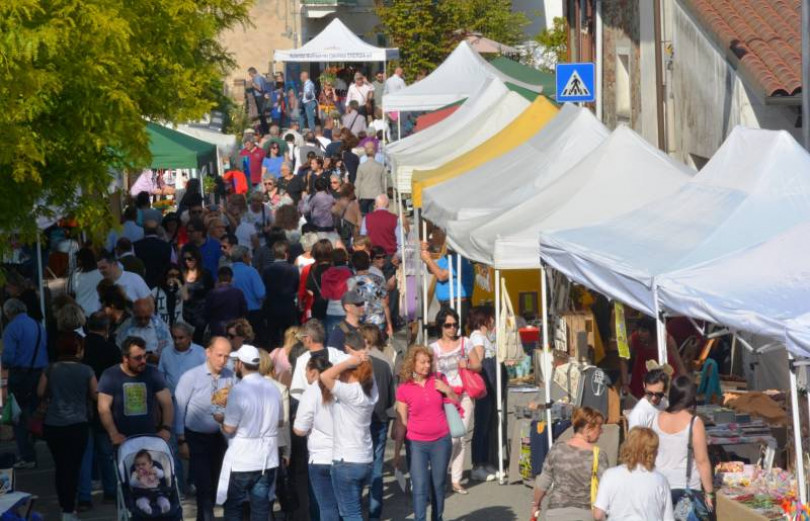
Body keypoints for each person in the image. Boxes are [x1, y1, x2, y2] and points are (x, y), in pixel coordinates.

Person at [214, 344, 282, 521]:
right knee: (260, 507)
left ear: (240, 364)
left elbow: (229, 427)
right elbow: (280, 421)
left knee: (234, 505)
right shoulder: (273, 388)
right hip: (266, 457)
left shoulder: (239, 390)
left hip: (243, 458)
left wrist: (221, 420)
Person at [38, 332, 97, 521]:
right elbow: (96, 394)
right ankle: (70, 510)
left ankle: (65, 506)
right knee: (74, 467)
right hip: (77, 424)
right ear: (78, 349)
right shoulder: (86, 370)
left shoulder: (50, 369)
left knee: (61, 466)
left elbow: (40, 392)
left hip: (53, 424)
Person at [393, 345, 456, 521]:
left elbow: (456, 402)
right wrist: (397, 452)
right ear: (412, 363)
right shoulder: (404, 388)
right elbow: (401, 422)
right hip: (416, 444)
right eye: (422, 362)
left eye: (429, 362)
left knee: (438, 484)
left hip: (441, 441)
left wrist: (447, 389)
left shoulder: (439, 379)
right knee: (419, 486)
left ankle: (438, 517)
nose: (427, 366)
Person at [319, 334, 378, 521]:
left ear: (350, 371)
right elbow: (369, 373)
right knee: (355, 510)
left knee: (351, 513)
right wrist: (360, 358)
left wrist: (348, 362)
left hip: (346, 461)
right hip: (365, 459)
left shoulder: (349, 392)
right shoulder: (370, 392)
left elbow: (324, 376)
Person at [175, 337, 234, 521]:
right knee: (204, 485)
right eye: (219, 355)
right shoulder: (191, 377)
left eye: (226, 356)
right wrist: (181, 439)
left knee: (218, 483)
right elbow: (179, 407)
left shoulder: (230, 376)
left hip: (221, 438)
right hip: (196, 437)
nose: (222, 360)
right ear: (208, 352)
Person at [429, 307, 478, 494]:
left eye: (455, 325)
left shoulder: (465, 342)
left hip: (465, 394)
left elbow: (478, 365)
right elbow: (429, 372)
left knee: (460, 435)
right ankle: (440, 474)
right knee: (448, 438)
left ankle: (455, 479)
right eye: (448, 325)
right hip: (444, 396)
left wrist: (469, 365)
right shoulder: (433, 348)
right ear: (441, 326)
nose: (452, 329)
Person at [78, 312, 125, 504]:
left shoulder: (80, 347)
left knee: (85, 454)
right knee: (106, 452)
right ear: (106, 328)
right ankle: (111, 490)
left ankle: (84, 495)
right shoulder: (111, 349)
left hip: (81, 405)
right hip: (106, 404)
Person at [532, 407, 609, 521]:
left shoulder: (557, 449)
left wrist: (536, 504)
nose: (601, 431)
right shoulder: (598, 455)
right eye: (599, 427)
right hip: (585, 514)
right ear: (588, 428)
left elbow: (543, 481)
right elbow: (606, 490)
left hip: (556, 513)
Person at [653, 375, 715, 515]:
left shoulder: (657, 418)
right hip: (686, 489)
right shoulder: (694, 422)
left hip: (659, 485)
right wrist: (710, 493)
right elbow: (702, 461)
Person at [97, 336, 174, 443]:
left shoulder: (153, 373)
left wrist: (166, 428)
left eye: (144, 356)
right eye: (138, 358)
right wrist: (113, 434)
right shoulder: (110, 375)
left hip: (149, 437)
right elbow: (103, 408)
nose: (143, 361)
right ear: (125, 358)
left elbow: (167, 403)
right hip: (121, 439)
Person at [2, 298, 49, 468]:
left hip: (20, 374)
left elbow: (8, 357)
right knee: (38, 411)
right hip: (40, 374)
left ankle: (27, 455)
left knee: (18, 416)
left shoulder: (11, 328)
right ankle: (36, 439)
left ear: (9, 313)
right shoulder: (38, 326)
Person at [594, 427, 675, 521]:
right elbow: (668, 518)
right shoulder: (660, 480)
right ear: (652, 452)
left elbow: (598, 515)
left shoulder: (610, 475)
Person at [293, 357, 338, 521]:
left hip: (320, 457)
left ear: (313, 371)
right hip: (343, 456)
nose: (304, 374)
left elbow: (299, 430)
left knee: (326, 507)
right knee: (344, 507)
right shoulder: (341, 388)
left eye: (305, 370)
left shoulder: (311, 392)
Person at [360, 328, 394, 521]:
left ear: (365, 340)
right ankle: (375, 513)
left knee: (356, 463)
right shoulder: (386, 362)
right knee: (377, 467)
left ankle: (353, 510)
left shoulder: (357, 361)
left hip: (360, 420)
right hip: (380, 418)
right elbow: (391, 398)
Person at [468, 306, 499, 482]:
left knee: (487, 423)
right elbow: (479, 360)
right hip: (483, 384)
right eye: (491, 317)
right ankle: (477, 463)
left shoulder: (485, 336)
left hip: (490, 383)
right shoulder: (477, 336)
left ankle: (485, 460)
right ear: (484, 319)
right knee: (481, 424)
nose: (493, 320)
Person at [622, 317, 686, 399]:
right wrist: (625, 384)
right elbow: (623, 359)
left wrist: (686, 387)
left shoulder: (667, 340)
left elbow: (679, 364)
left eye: (644, 331)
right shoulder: (634, 338)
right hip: (641, 377)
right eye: (638, 329)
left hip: (664, 376)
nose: (639, 333)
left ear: (654, 331)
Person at [289, 319, 347, 400]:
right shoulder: (337, 354)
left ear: (309, 339)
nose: (302, 340)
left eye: (303, 337)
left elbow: (297, 395)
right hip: (336, 407)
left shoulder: (302, 360)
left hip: (312, 408)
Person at [420, 238, 474, 323]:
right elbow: (432, 270)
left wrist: (428, 259)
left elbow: (442, 275)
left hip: (457, 304)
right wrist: (427, 254)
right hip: (446, 305)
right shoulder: (446, 258)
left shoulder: (461, 259)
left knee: (454, 332)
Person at [261, 241, 300, 348]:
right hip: (288, 306)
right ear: (286, 254)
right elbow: (297, 287)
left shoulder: (267, 269)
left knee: (273, 337)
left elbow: (264, 288)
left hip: (272, 306)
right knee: (290, 337)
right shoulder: (293, 269)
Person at [347, 250, 392, 337]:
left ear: (354, 264)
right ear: (368, 262)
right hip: (378, 321)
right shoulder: (379, 279)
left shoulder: (350, 282)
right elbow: (385, 303)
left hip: (360, 322)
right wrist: (389, 324)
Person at [180, 244, 214, 344]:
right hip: (184, 317)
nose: (187, 261)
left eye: (190, 258)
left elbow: (211, 294)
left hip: (201, 318)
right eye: (185, 259)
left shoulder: (205, 274)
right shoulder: (180, 274)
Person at [229, 246, 266, 339]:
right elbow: (260, 293)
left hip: (234, 313)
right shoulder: (251, 271)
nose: (251, 258)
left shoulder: (228, 271)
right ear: (244, 257)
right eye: (249, 255)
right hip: (253, 311)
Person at [130, 449, 172, 515]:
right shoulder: (135, 474)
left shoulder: (154, 469)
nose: (140, 467)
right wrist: (138, 479)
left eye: (143, 464)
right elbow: (132, 483)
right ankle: (146, 508)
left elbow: (162, 475)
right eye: (137, 465)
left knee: (162, 498)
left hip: (157, 492)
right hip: (142, 493)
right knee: (141, 501)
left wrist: (156, 472)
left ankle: (165, 506)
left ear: (150, 464)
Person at [134, 219, 173, 289]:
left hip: (143, 284)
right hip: (162, 284)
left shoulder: (135, 246)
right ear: (157, 231)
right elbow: (173, 263)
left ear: (144, 230)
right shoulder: (167, 246)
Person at [305, 239, 334, 322]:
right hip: (334, 307)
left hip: (318, 307)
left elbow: (309, 288)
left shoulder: (313, 268)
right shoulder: (334, 268)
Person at [355, 143, 387, 216]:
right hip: (377, 194)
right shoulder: (380, 167)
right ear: (375, 154)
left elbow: (357, 183)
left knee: (364, 216)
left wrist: (357, 196)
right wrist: (384, 194)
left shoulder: (361, 166)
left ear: (366, 154)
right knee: (376, 216)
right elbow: (383, 183)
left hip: (364, 194)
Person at [71, 247, 104, 315]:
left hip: (80, 312)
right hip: (96, 311)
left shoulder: (75, 275)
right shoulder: (101, 274)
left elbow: (73, 292)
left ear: (82, 260)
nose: (77, 261)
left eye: (78, 259)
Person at [248, 67, 270, 134]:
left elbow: (260, 88)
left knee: (261, 115)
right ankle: (265, 129)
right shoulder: (261, 77)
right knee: (261, 114)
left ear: (252, 72)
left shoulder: (257, 78)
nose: (249, 75)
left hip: (259, 97)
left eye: (249, 73)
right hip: (261, 96)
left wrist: (253, 85)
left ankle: (265, 130)